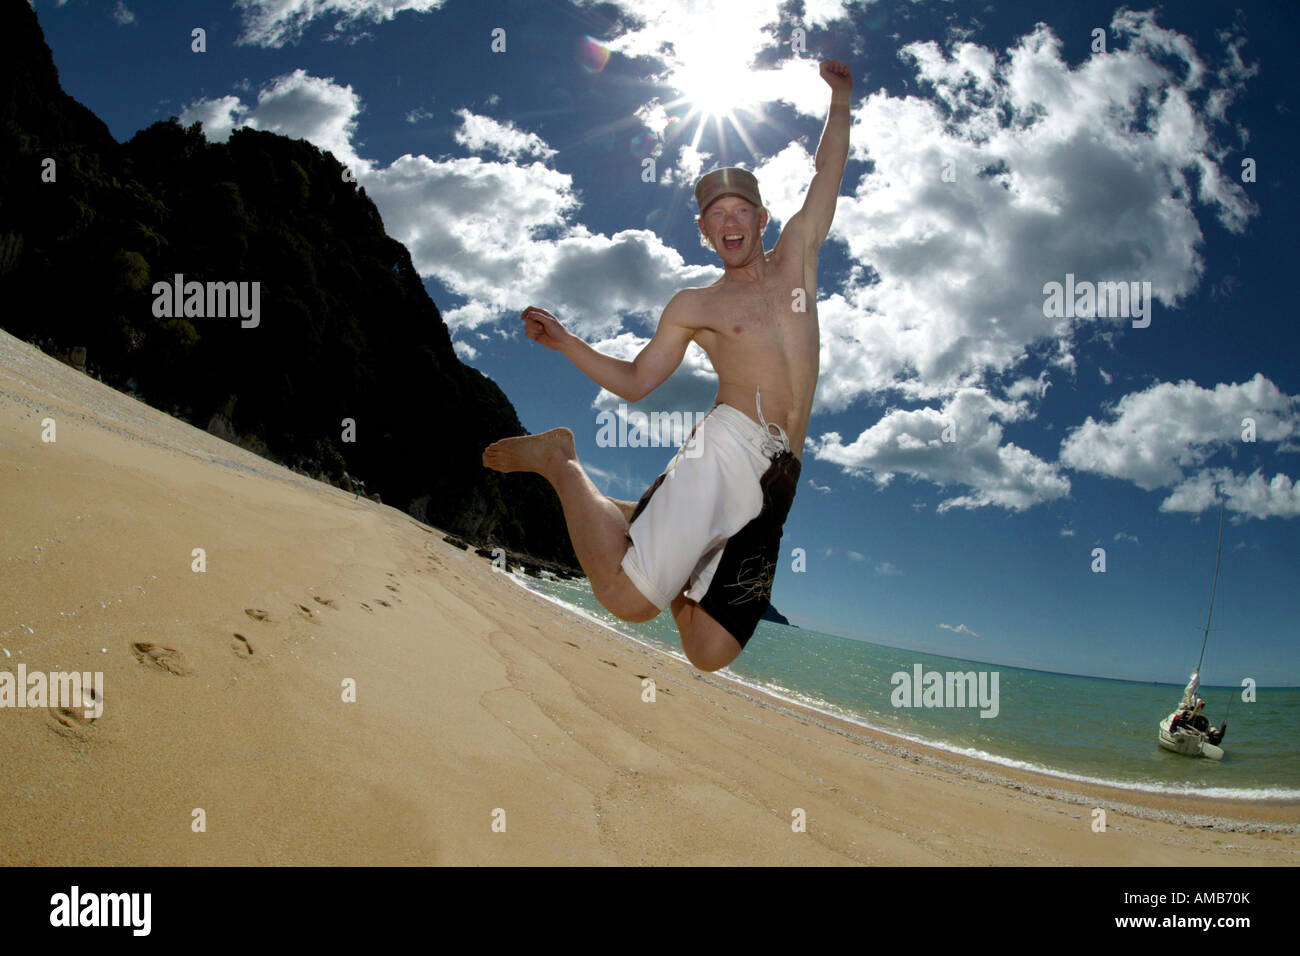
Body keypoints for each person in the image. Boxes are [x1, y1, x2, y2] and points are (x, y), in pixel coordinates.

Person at [483, 60, 853, 671]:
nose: (730, 223)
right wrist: (569, 342)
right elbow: (635, 381)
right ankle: (561, 461)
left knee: (709, 650)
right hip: (730, 447)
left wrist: (839, 99)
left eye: (741, 211)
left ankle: (644, 518)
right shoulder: (696, 304)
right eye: (716, 216)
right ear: (705, 232)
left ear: (763, 220)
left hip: (784, 477)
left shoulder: (799, 259)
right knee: (629, 600)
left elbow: (828, 170)